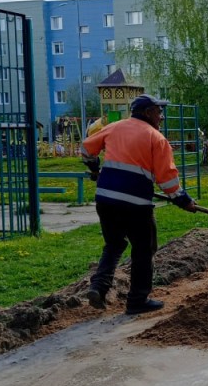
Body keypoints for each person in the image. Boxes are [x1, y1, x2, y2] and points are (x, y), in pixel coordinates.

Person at [80, 94, 199, 315]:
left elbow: (87, 148)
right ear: (147, 113)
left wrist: (95, 169)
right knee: (144, 248)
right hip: (135, 204)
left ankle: (98, 286)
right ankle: (137, 300)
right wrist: (184, 201)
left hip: (105, 199)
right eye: (158, 112)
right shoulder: (156, 138)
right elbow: (168, 181)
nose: (161, 117)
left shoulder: (115, 128)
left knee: (114, 244)